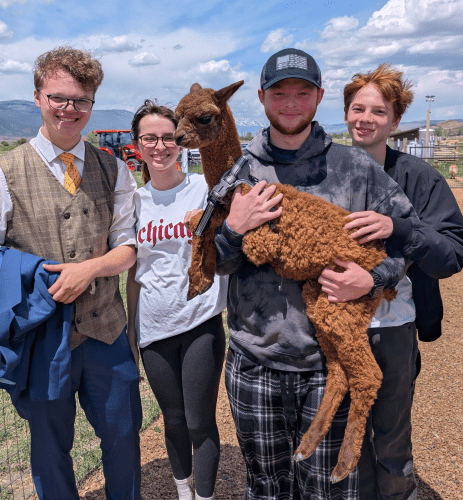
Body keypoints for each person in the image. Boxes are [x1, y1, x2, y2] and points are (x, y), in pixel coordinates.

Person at [214, 48, 419, 500]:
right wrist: (232, 229)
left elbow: (407, 237)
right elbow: (217, 263)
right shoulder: (240, 173)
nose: (291, 103)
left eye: (302, 93)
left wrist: (376, 277)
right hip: (255, 358)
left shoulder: (356, 169)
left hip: (324, 366)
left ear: (319, 97)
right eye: (279, 93)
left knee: (324, 491)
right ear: (263, 100)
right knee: (265, 486)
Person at [0, 47, 142, 500]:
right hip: (42, 340)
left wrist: (89, 270)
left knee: (123, 438)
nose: (70, 109)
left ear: (92, 104)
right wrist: (28, 280)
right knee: (49, 450)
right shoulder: (0, 175)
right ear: (38, 97)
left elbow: (127, 248)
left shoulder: (115, 168)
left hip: (106, 329)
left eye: (81, 100)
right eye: (59, 98)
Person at [343, 64, 463, 500]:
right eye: (358, 108)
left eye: (379, 111)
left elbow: (451, 255)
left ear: (394, 121)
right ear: (346, 113)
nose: (366, 118)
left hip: (394, 327)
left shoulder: (419, 178)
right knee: (344, 438)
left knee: (391, 441)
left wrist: (401, 229)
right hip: (336, 328)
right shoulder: (323, 175)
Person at [126, 100, 227, 500]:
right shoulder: (134, 202)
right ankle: (183, 491)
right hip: (154, 326)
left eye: (168, 137)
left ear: (181, 140)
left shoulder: (205, 189)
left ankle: (204, 496)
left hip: (200, 321)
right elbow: (135, 274)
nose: (160, 146)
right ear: (137, 144)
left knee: (200, 421)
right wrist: (134, 335)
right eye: (150, 138)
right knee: (172, 418)